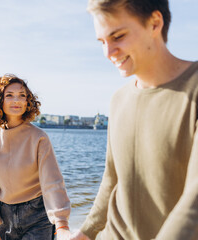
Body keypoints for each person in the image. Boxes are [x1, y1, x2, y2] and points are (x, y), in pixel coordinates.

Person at [70, 0, 198, 239]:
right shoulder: (118, 100)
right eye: (102, 42)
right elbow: (112, 179)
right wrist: (85, 232)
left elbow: (194, 203)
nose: (108, 53)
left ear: (154, 23)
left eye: (117, 36)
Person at [0, 74, 71, 240]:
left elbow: (52, 182)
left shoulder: (39, 137)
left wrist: (61, 223)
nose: (17, 100)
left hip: (38, 216)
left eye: (22, 95)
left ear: (28, 102)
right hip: (3, 218)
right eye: (9, 95)